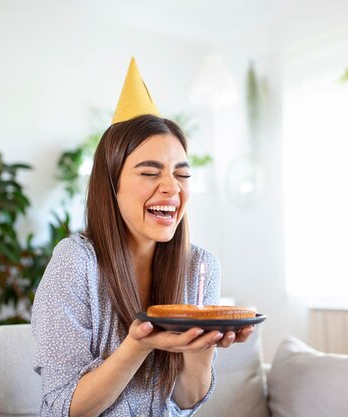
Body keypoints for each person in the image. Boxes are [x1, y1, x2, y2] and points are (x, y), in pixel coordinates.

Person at [31, 58, 255, 417]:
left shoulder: (201, 267)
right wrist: (136, 346)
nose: (171, 187)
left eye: (181, 175)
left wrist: (202, 347)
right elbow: (64, 408)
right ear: (111, 185)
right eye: (150, 172)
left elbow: (186, 400)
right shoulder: (76, 263)